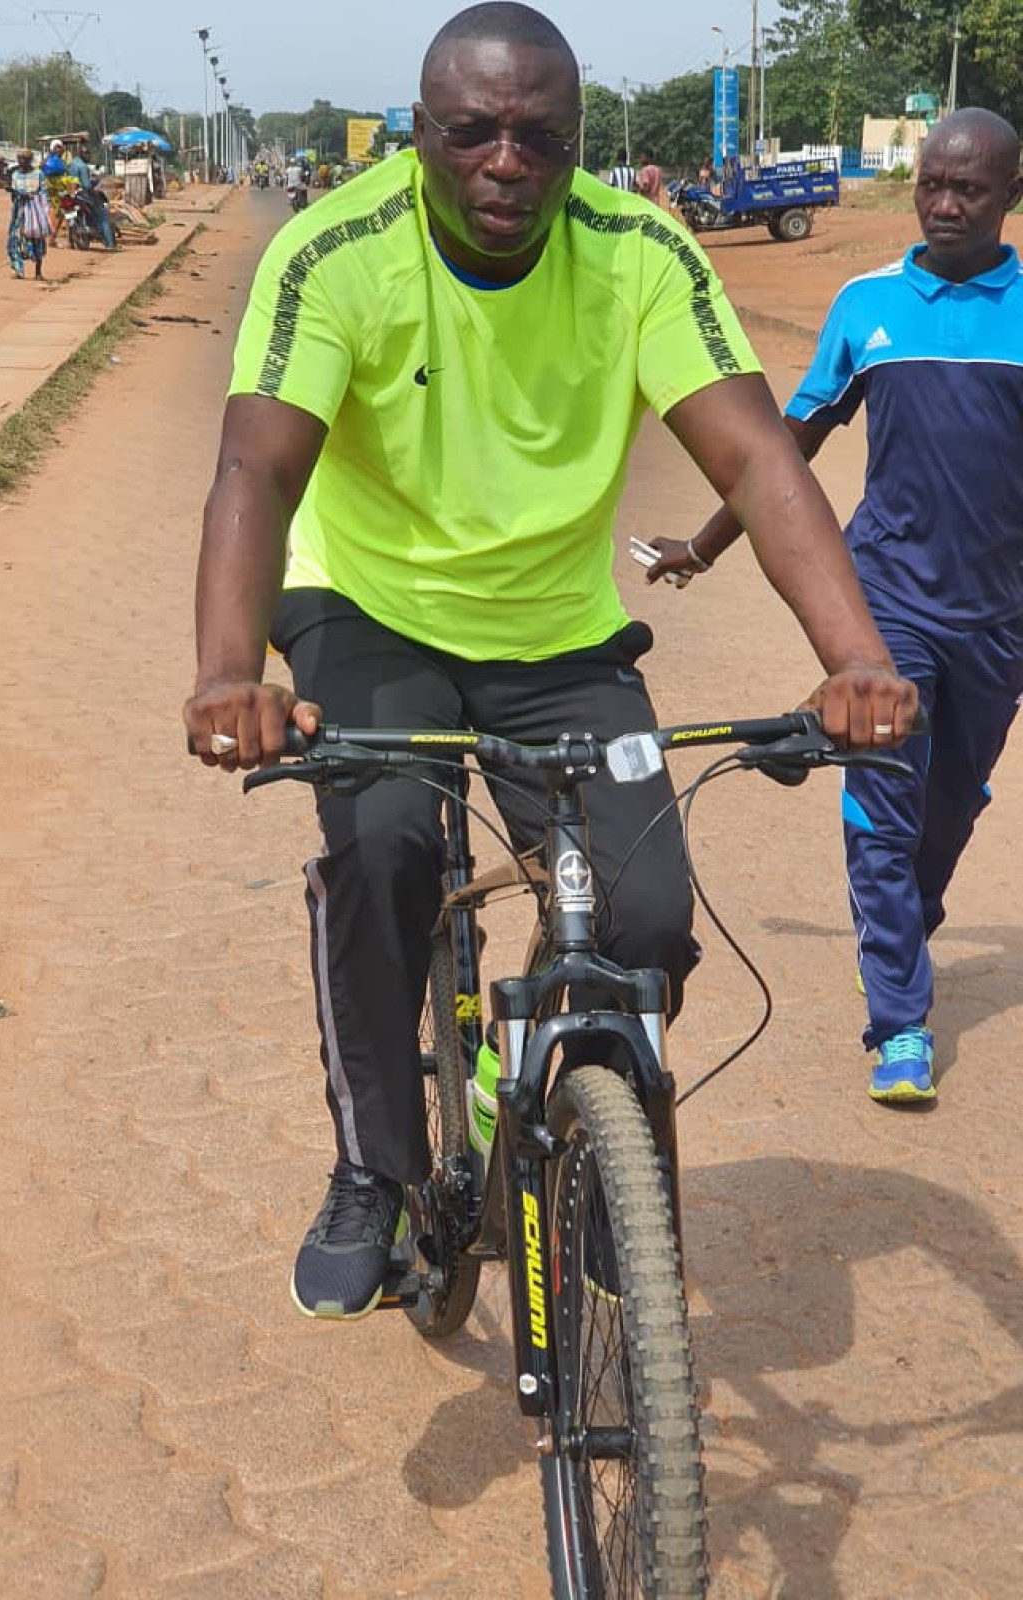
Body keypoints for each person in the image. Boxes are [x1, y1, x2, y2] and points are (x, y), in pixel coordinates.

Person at [184, 1, 916, 1321]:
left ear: (578, 141)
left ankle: (560, 1130)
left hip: (562, 634)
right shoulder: (336, 252)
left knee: (643, 924)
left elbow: (755, 455)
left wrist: (853, 659)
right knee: (388, 841)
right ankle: (375, 1165)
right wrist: (233, 671)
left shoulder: (638, 251)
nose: (505, 163)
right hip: (371, 611)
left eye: (538, 136)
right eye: (472, 132)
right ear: (421, 135)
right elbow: (256, 466)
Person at [644, 107, 1023, 1107]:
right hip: (885, 599)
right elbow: (785, 448)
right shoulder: (867, 303)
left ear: (1009, 198)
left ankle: (902, 929)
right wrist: (704, 545)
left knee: (954, 802)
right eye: (932, 184)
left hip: (1000, 617)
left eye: (969, 190)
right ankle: (900, 1020)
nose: (943, 203)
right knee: (886, 809)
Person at [6, 148, 52, 280]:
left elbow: (44, 193)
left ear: (30, 160)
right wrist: (14, 193)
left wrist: (32, 197)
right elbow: (13, 197)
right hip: (19, 212)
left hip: (34, 211)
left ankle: (38, 272)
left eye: (25, 159)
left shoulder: (38, 174)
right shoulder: (15, 175)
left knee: (37, 239)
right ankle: (18, 270)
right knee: (15, 239)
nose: (22, 162)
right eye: (20, 159)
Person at [41, 138, 71, 244]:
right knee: (60, 212)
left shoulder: (62, 161)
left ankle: (55, 237)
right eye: (56, 148)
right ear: (52, 149)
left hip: (61, 189)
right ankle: (52, 238)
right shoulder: (49, 160)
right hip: (55, 190)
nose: (59, 150)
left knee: (62, 212)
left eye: (60, 148)